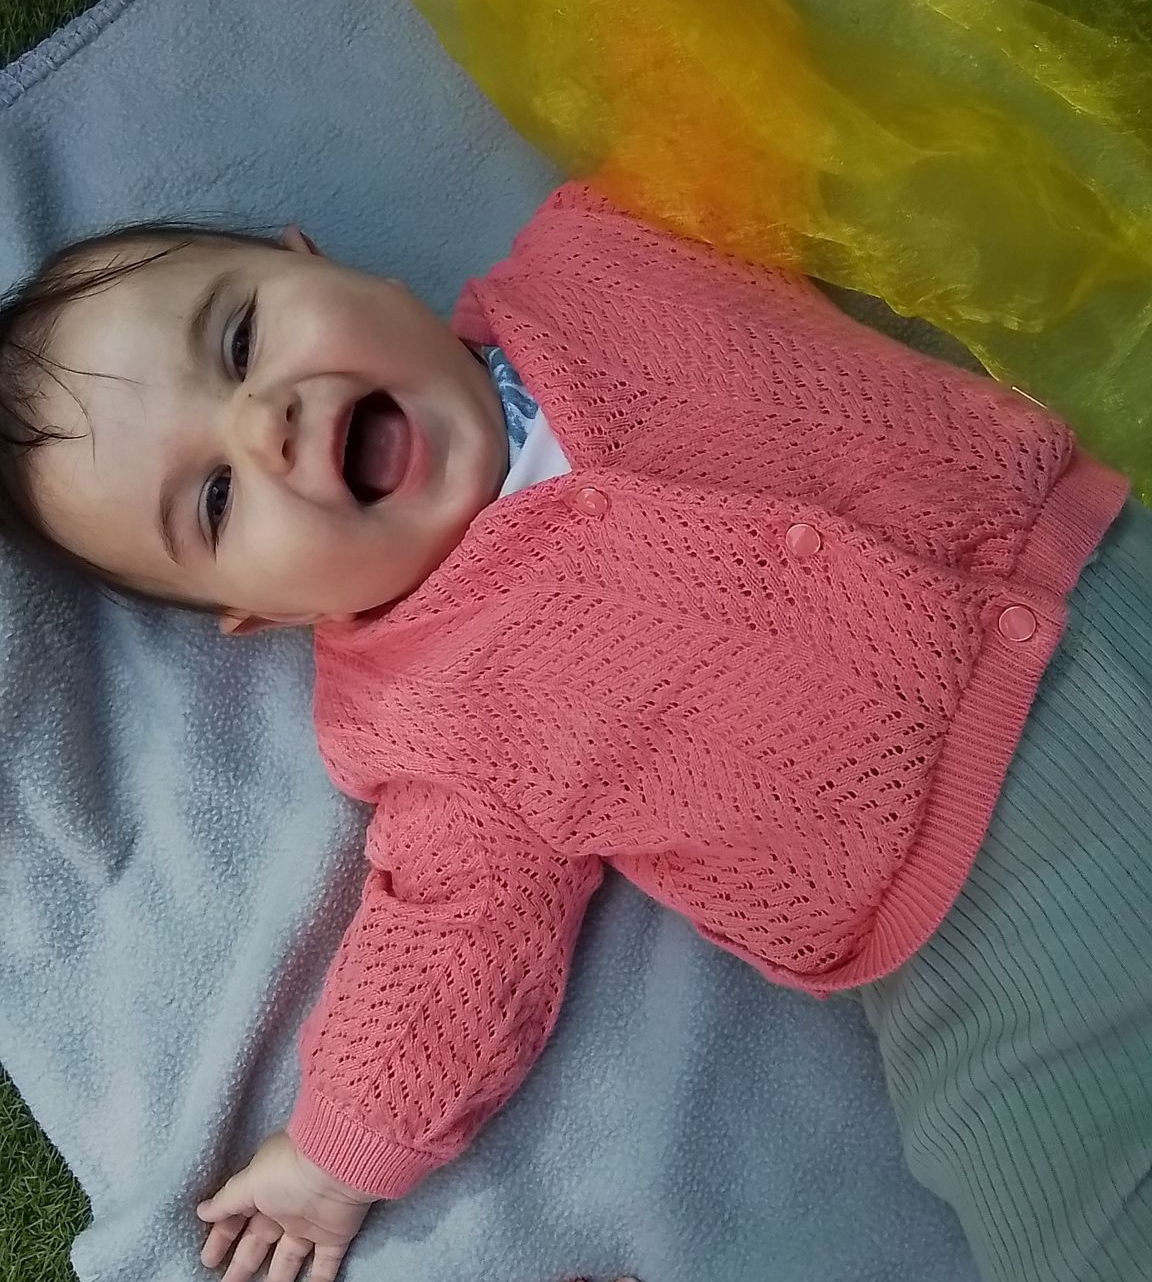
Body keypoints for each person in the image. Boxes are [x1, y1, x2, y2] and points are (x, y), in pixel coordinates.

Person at [1, 183, 1148, 1282]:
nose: (268, 425)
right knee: (1077, 1206)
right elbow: (450, 939)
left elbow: (769, 141)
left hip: (1102, 572)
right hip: (983, 925)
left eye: (242, 339)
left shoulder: (603, 244)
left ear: (318, 262)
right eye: (212, 501)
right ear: (262, 617)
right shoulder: (426, 720)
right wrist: (331, 1154)